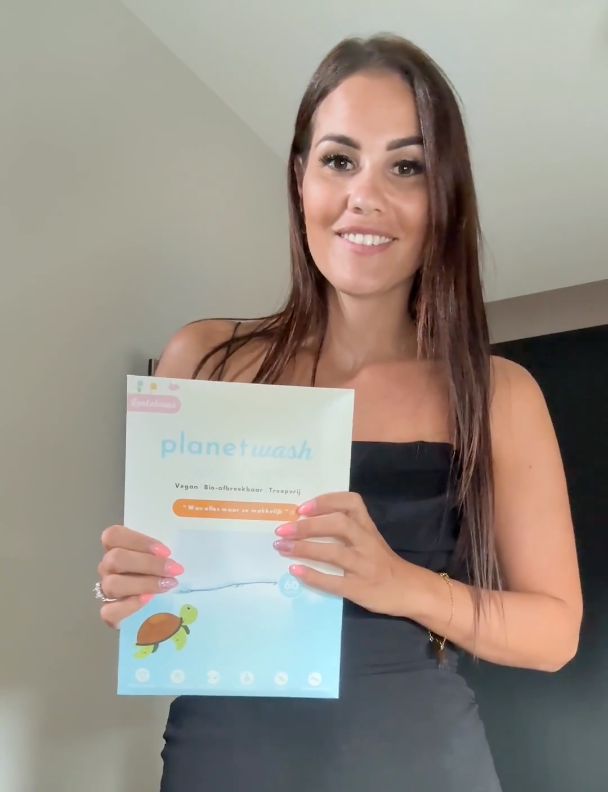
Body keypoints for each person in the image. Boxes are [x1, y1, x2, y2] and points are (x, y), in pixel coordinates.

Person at [95, 34, 583, 791]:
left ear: (443, 196)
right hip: (222, 762)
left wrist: (399, 583)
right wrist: (126, 585)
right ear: (300, 179)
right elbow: (166, 593)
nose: (366, 196)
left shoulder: (497, 392)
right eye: (339, 159)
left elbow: (554, 634)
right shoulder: (209, 359)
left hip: (421, 763)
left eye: (406, 167)